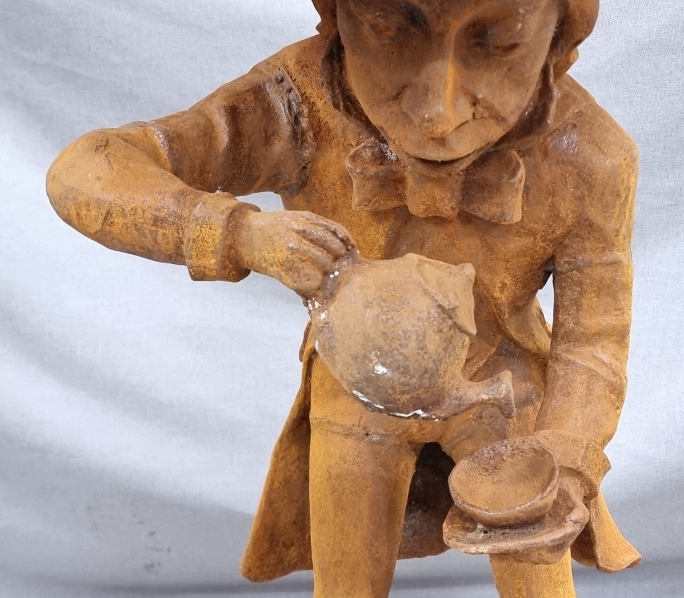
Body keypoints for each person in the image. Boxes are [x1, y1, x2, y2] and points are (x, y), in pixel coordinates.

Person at [46, 0, 642, 596]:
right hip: (355, 382)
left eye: (501, 43)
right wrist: (236, 232)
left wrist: (565, 460)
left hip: (504, 389)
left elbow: (592, 345)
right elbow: (86, 170)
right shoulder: (296, 104)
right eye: (387, 31)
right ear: (335, 19)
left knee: (536, 561)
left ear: (558, 42)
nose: (437, 114)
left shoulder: (589, 155)